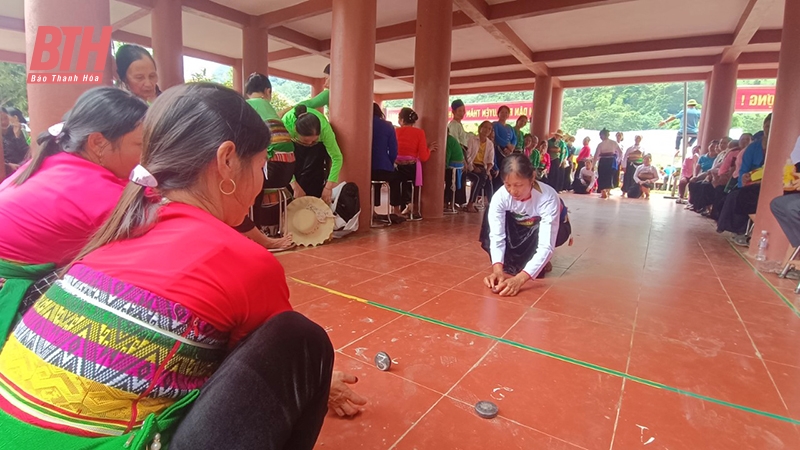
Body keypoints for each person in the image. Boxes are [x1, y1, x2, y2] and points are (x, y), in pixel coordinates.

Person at [0, 83, 365, 450]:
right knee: (300, 340)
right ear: (226, 161)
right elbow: (249, 363)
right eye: (260, 166)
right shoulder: (242, 259)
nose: (259, 183)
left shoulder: (115, 229)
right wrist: (323, 384)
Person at [0, 87, 147, 339]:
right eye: (140, 144)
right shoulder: (97, 192)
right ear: (98, 142)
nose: (145, 155)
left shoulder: (50, 162)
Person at [479, 154, 560, 297]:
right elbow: (497, 235)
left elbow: (546, 245)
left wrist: (520, 279)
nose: (513, 191)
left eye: (518, 185)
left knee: (538, 266)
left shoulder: (548, 198)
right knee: (489, 215)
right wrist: (497, 270)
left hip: (538, 229)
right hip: (517, 228)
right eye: (507, 185)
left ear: (532, 178)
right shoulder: (500, 196)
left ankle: (543, 260)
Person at [235, 73, 296, 251]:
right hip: (287, 168)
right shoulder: (267, 107)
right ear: (267, 91)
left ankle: (257, 234)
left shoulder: (245, 106)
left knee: (247, 191)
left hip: (270, 165)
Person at [718, 114, 772, 244]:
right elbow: (744, 170)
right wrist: (745, 179)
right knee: (738, 195)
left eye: (772, 126)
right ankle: (740, 231)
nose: (769, 129)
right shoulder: (753, 148)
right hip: (752, 182)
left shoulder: (783, 146)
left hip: (771, 185)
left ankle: (758, 230)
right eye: (767, 126)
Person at [283, 104, 343, 204]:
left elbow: (337, 157)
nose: (309, 144)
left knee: (314, 178)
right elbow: (283, 158)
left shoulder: (325, 131)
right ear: (296, 132)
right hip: (294, 148)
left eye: (313, 140)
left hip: (317, 150)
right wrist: (294, 185)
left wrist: (328, 188)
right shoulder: (286, 126)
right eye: (306, 141)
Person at [395, 107, 436, 216]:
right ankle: (411, 205)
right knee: (409, 181)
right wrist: (429, 150)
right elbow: (423, 157)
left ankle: (397, 209)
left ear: (402, 120)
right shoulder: (419, 133)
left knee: (397, 181)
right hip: (411, 168)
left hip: (397, 168)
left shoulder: (396, 131)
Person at [371, 102, 402, 217]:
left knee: (371, 183)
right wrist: (389, 162)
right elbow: (393, 150)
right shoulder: (388, 125)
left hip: (367, 169)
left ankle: (371, 209)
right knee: (396, 178)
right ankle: (396, 209)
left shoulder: (363, 124)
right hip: (383, 166)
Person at [464, 121, 495, 213]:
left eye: (489, 129)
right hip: (470, 166)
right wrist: (473, 167)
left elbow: (490, 161)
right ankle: (471, 204)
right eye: (485, 127)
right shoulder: (472, 139)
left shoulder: (490, 144)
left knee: (487, 177)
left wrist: (488, 171)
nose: (487, 130)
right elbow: (467, 155)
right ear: (480, 128)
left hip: (483, 168)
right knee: (480, 178)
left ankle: (491, 204)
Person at [492, 106, 517, 192]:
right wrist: (506, 144)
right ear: (498, 114)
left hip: (509, 151)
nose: (504, 114)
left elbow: (514, 138)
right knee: (499, 171)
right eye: (502, 112)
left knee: (507, 171)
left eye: (506, 112)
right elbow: (497, 137)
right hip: (498, 150)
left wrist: (511, 147)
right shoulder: (495, 125)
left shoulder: (510, 127)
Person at [593, 128, 622, 199]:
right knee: (608, 176)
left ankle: (604, 192)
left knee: (604, 177)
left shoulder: (601, 144)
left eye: (601, 135)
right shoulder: (613, 143)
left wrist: (593, 165)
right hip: (610, 161)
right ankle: (606, 191)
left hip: (605, 161)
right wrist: (618, 160)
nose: (600, 137)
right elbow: (620, 153)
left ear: (603, 135)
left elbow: (596, 156)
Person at [1, 107, 30, 173]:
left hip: (21, 168)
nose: (4, 122)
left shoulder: (14, 130)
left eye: (6, 118)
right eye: (0, 119)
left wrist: (17, 136)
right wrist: (7, 165)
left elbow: (26, 152)